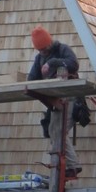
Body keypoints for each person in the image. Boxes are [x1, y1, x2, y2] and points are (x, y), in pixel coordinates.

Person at [27, 25, 82, 177]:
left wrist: (52, 63)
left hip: (69, 96)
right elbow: (32, 78)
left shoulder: (62, 50)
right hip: (55, 99)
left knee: (58, 131)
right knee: (54, 130)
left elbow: (73, 64)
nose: (43, 52)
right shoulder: (39, 58)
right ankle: (65, 165)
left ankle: (72, 165)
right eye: (40, 50)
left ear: (50, 43)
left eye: (44, 49)